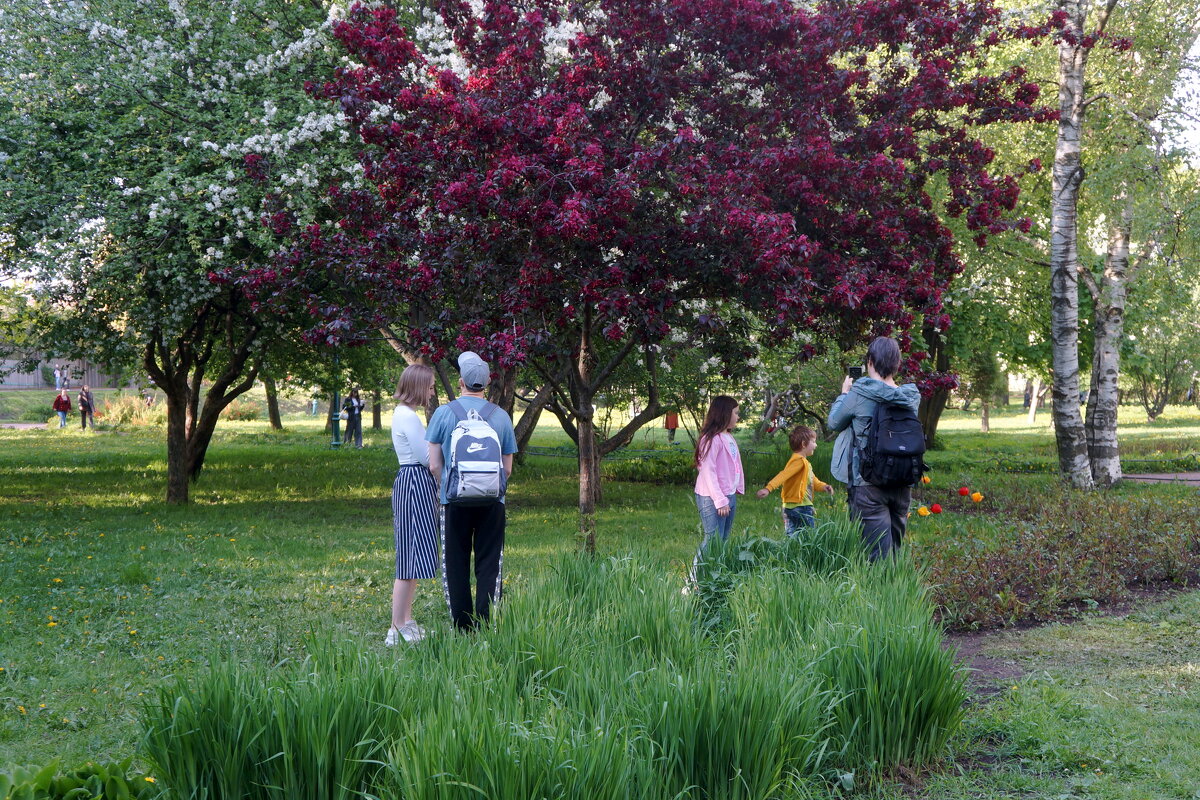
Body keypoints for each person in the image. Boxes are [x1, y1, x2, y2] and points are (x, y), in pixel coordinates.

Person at [426, 351, 518, 631]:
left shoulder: (444, 413)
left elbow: (433, 464)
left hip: (454, 501)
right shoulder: (500, 416)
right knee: (490, 561)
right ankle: (486, 621)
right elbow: (508, 468)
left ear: (460, 381)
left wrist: (448, 487)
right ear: (487, 384)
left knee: (455, 562)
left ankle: (463, 626)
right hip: (492, 502)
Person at [827, 337, 921, 561]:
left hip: (868, 481)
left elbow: (834, 422)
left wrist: (844, 394)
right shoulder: (910, 397)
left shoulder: (860, 392)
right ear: (897, 364)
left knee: (874, 555)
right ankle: (897, 591)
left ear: (870, 361)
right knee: (895, 550)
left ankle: (879, 593)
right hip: (902, 479)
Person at [386, 364, 440, 646]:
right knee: (408, 556)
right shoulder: (407, 416)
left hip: (415, 482)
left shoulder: (408, 415)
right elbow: (425, 457)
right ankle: (396, 627)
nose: (432, 392)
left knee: (415, 554)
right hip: (413, 482)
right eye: (430, 386)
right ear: (419, 386)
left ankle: (406, 621)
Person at [756, 425, 833, 535]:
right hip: (801, 507)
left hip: (790, 507)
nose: (816, 445)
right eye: (813, 442)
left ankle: (791, 552)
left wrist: (824, 486)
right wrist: (768, 488)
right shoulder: (799, 461)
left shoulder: (804, 463)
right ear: (803, 444)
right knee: (808, 537)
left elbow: (813, 481)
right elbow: (783, 475)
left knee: (792, 538)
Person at [692, 395, 744, 552]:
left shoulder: (728, 437)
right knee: (713, 540)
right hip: (713, 497)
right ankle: (696, 575)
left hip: (728, 495)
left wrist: (733, 491)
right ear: (724, 413)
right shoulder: (711, 439)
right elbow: (708, 471)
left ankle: (717, 574)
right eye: (735, 413)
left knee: (723, 539)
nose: (738, 417)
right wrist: (720, 500)